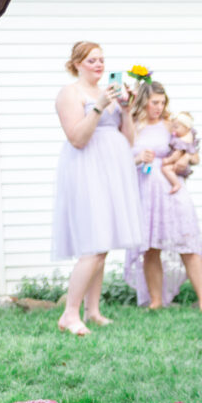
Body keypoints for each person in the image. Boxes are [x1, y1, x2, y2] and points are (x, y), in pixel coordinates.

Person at [51, 42, 142, 336]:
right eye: (92, 60)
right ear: (77, 63)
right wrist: (100, 106)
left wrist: (126, 110)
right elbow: (77, 137)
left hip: (113, 173)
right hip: (87, 172)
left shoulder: (111, 94)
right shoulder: (70, 93)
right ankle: (69, 313)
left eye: (102, 60)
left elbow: (128, 140)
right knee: (92, 244)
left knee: (102, 244)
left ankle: (93, 310)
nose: (99, 65)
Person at [124, 81, 202, 313]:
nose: (159, 107)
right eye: (155, 102)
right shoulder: (132, 126)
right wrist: (138, 158)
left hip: (173, 191)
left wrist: (185, 160)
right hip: (146, 194)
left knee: (188, 242)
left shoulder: (171, 125)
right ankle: (156, 301)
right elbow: (120, 161)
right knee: (151, 248)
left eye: (162, 102)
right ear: (144, 101)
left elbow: (194, 155)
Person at [160, 111, 199, 194]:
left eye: (176, 127)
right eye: (173, 127)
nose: (174, 130)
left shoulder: (182, 141)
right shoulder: (182, 138)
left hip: (177, 166)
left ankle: (176, 184)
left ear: (186, 128)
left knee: (165, 169)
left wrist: (167, 161)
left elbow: (176, 155)